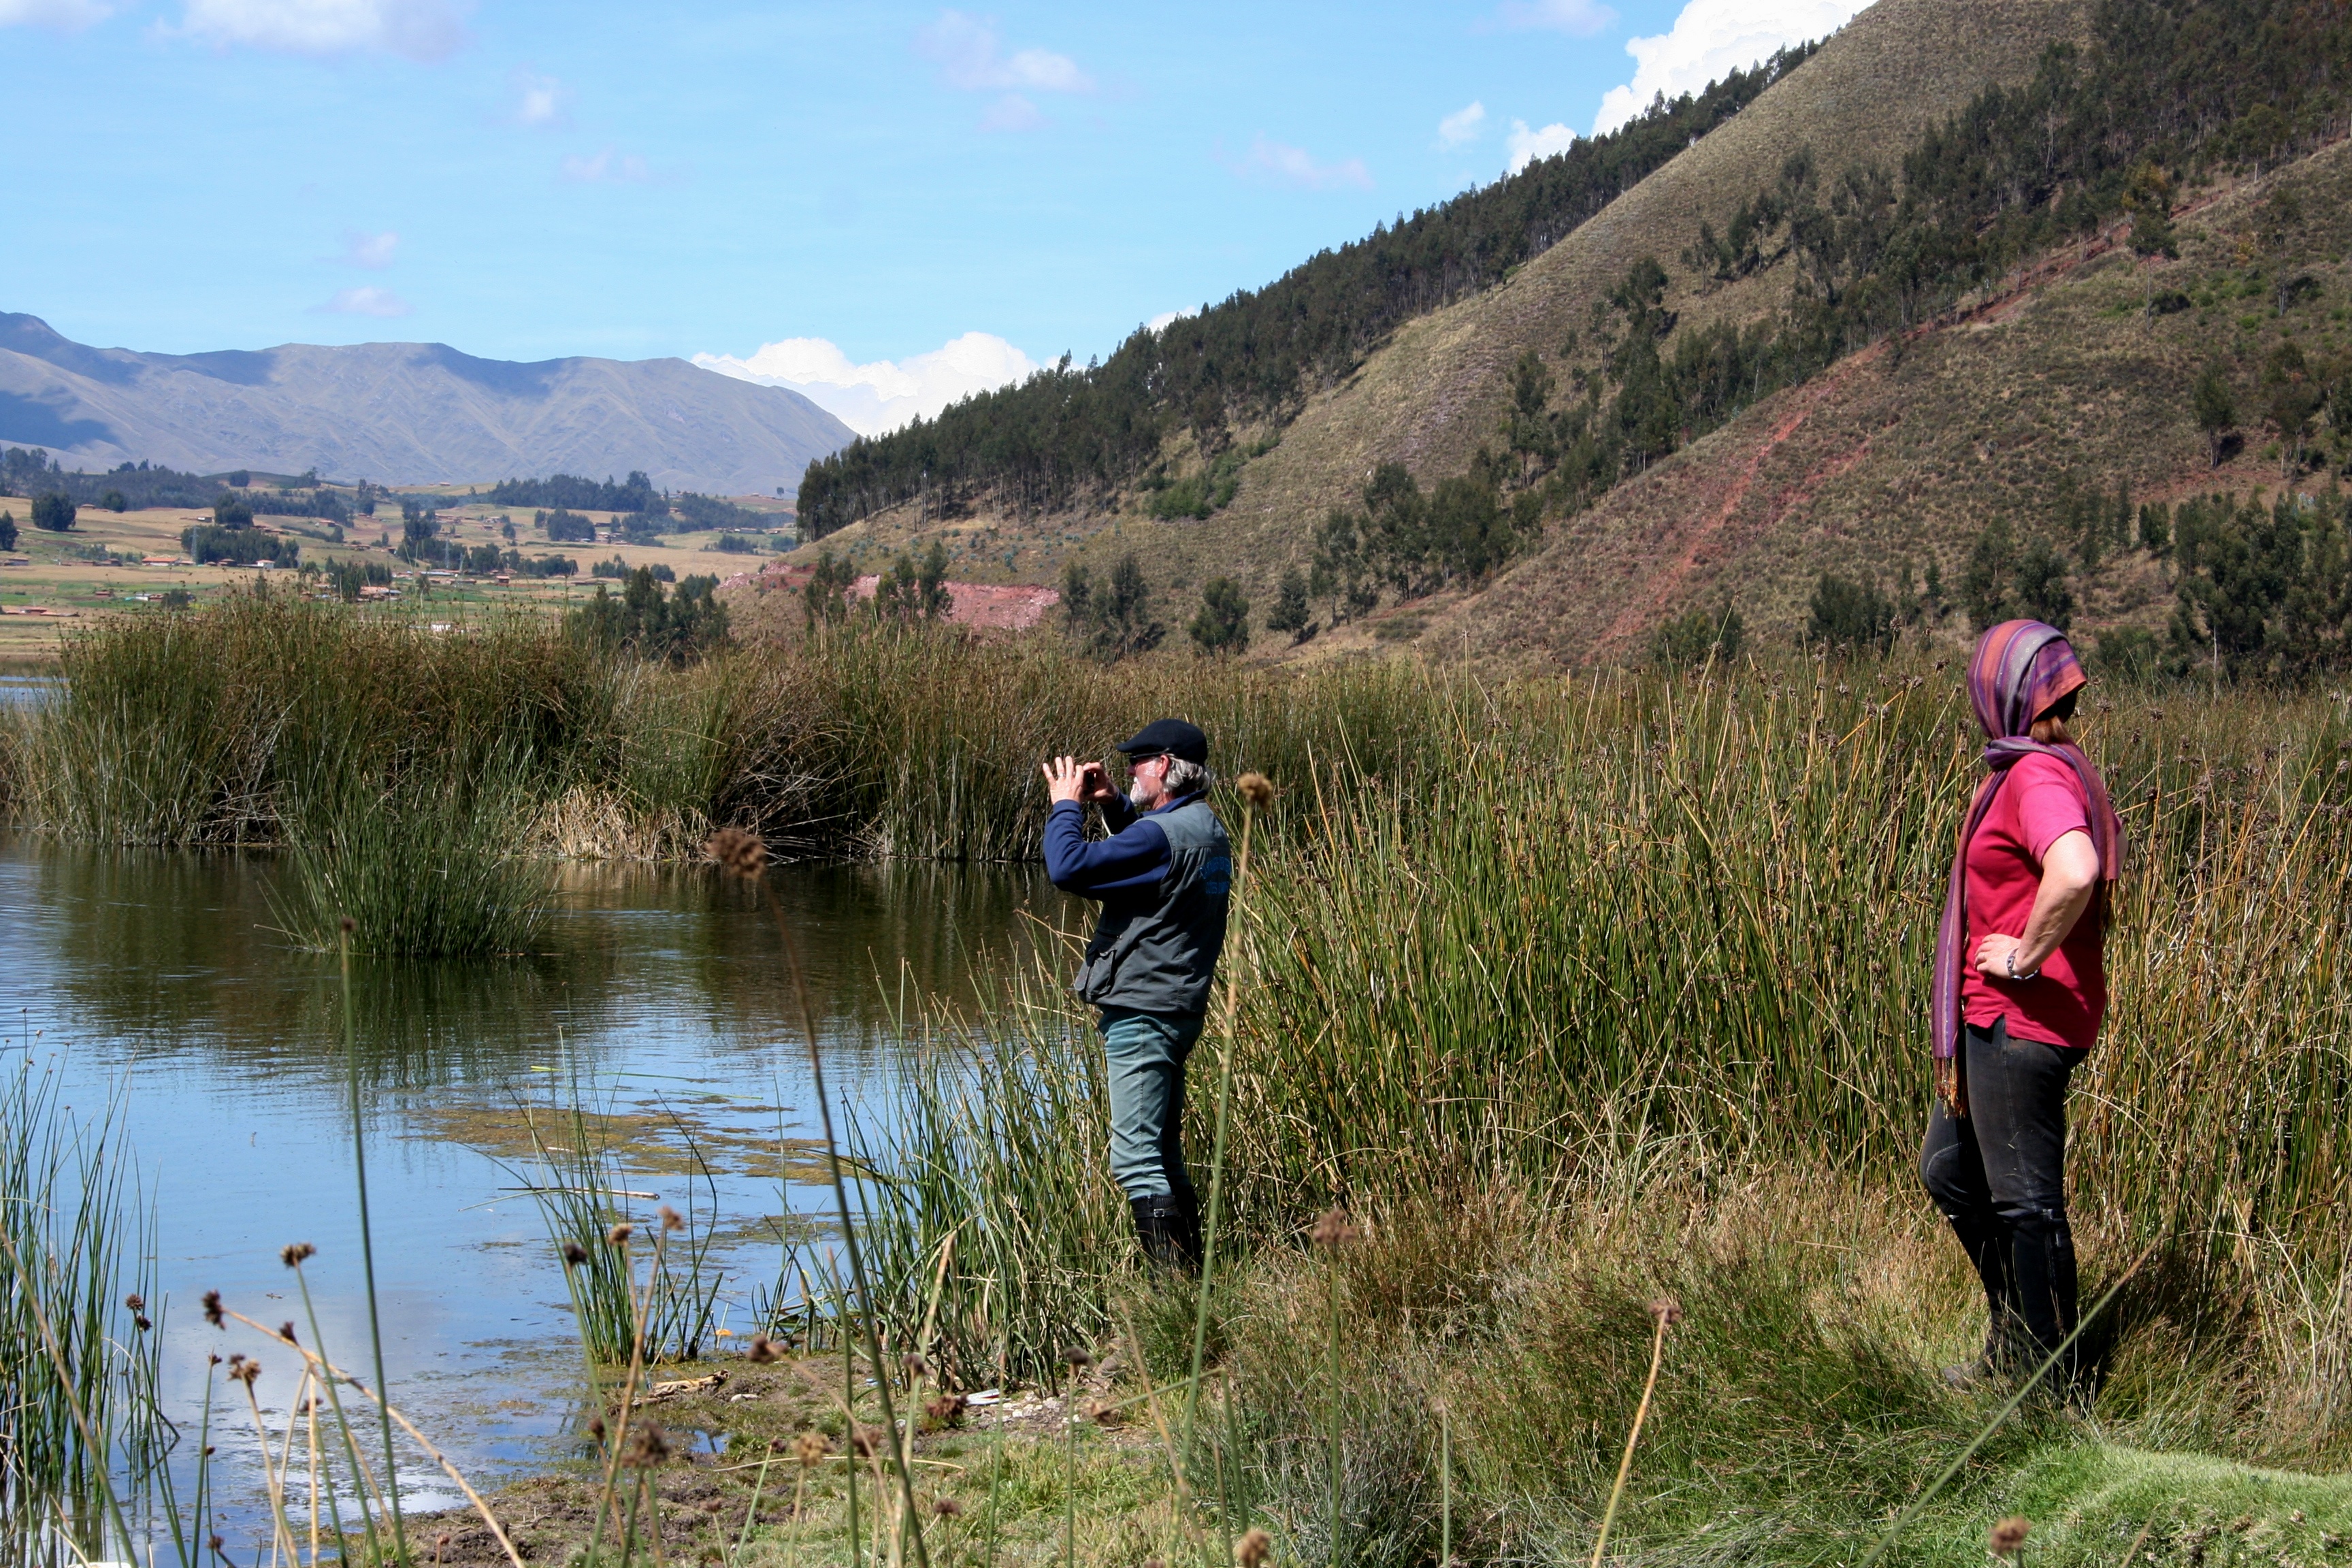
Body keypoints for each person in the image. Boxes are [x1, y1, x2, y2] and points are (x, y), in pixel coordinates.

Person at [1923, 619, 2124, 1386]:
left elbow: (2075, 868)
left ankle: (2053, 1388)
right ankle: (2017, 1343)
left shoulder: (2036, 776)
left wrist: (2023, 956)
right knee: (1949, 1170)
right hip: (1995, 1018)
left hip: (2021, 1019)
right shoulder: (2030, 767)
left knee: (2027, 1205)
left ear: (2000, 694)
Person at [1040, 719, 1232, 1270]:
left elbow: (1067, 868)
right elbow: (1155, 858)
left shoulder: (1160, 836)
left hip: (1143, 1016)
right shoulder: (1207, 829)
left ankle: (1171, 1295)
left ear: (1164, 765)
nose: (1129, 769)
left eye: (1138, 761)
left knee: (1136, 1161)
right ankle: (1189, 1285)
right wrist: (1114, 803)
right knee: (1164, 1154)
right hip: (1178, 1010)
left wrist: (1066, 807)